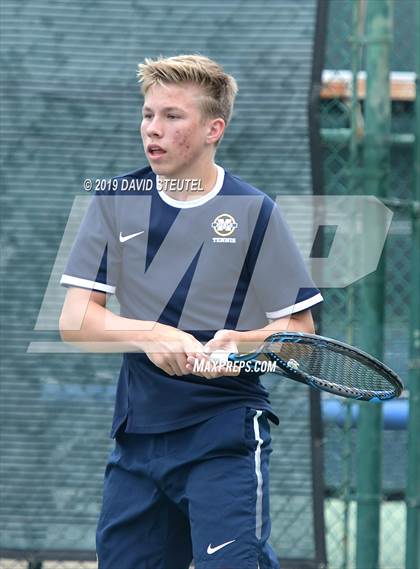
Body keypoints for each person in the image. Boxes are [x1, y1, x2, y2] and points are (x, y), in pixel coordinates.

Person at [59, 54, 323, 569]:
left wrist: (241, 343)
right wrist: (151, 334)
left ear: (212, 129)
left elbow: (301, 333)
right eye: (148, 114)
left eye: (172, 117)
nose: (152, 129)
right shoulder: (115, 201)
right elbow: (75, 320)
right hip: (137, 440)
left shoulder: (254, 211)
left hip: (223, 435)